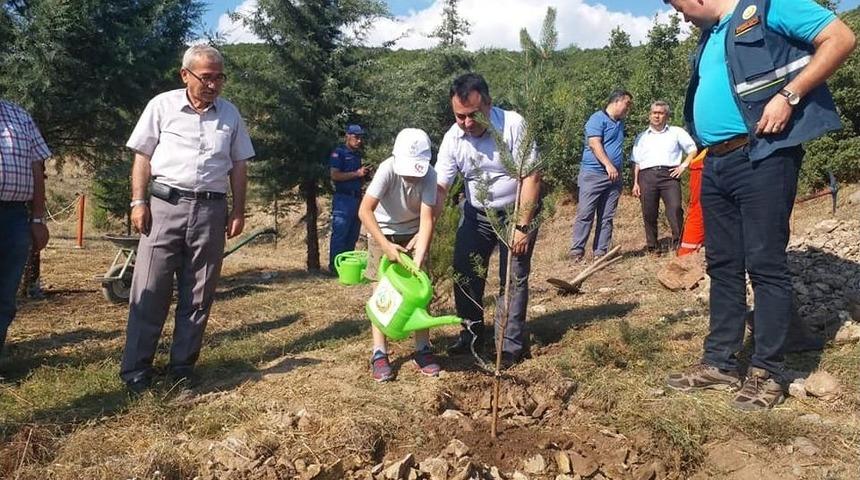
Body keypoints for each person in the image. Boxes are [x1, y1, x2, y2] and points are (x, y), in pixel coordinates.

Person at [663, 0, 855, 410]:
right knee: (723, 264)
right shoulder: (713, 35)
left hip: (763, 155)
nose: (680, 17)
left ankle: (768, 371)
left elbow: (841, 38)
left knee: (765, 263)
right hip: (714, 162)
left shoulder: (769, 5)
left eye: (679, 7)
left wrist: (790, 95)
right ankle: (719, 363)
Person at [120, 45, 255, 393]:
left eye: (219, 78)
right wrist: (138, 202)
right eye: (206, 77)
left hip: (211, 211)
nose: (213, 85)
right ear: (186, 75)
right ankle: (136, 371)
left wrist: (238, 210)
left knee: (199, 292)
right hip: (165, 206)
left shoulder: (230, 115)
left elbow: (239, 165)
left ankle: (181, 368)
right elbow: (142, 156)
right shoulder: (162, 106)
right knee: (150, 289)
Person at [436, 73, 541, 367]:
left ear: (489, 104)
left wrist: (521, 226)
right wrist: (426, 227)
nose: (468, 123)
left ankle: (508, 347)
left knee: (513, 277)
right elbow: (441, 188)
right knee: (465, 271)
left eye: (473, 116)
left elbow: (532, 175)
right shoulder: (453, 138)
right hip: (476, 214)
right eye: (460, 117)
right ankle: (470, 334)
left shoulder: (512, 124)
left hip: (516, 210)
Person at [358, 128, 439, 382]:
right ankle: (380, 353)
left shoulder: (429, 176)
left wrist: (419, 256)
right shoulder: (387, 169)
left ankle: (423, 349)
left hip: (413, 233)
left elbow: (427, 219)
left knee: (421, 291)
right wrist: (385, 245)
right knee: (382, 293)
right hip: (381, 232)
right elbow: (364, 211)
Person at [0, 99, 51, 357]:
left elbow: (37, 168)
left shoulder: (21, 117)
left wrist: (38, 218)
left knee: (5, 296)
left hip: (14, 218)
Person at [568, 90, 632, 262]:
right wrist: (608, 165)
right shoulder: (596, 119)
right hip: (594, 175)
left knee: (607, 216)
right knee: (585, 214)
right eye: (627, 104)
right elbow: (594, 144)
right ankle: (577, 252)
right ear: (617, 101)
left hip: (614, 178)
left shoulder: (620, 121)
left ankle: (600, 253)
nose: (629, 108)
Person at [630, 100, 698, 254]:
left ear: (666, 115)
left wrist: (684, 166)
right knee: (649, 212)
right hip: (646, 176)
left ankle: (678, 244)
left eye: (660, 113)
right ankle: (653, 247)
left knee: (675, 209)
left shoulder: (676, 132)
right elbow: (636, 161)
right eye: (654, 113)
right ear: (649, 115)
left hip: (669, 175)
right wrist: (635, 183)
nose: (657, 116)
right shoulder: (642, 137)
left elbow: (692, 149)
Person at [329, 124, 368, 273]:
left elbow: (358, 177)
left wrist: (364, 176)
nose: (359, 141)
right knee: (340, 233)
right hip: (343, 200)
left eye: (360, 138)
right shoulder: (339, 154)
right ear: (348, 136)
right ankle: (335, 267)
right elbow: (335, 175)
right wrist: (357, 174)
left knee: (353, 234)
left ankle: (347, 267)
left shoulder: (357, 156)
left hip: (357, 198)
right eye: (356, 137)